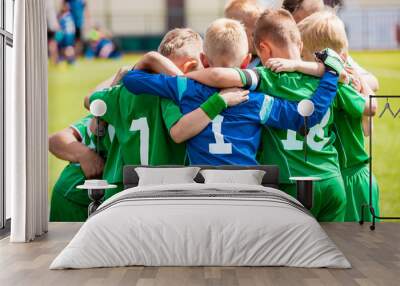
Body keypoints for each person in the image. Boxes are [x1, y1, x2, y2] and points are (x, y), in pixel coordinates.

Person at [184, 10, 374, 222]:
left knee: (290, 252)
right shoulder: (329, 80)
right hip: (331, 181)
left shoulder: (265, 79)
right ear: (300, 45)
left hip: (291, 183)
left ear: (263, 50)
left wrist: (181, 78)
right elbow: (369, 107)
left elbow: (220, 75)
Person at [122, 18, 342, 167]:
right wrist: (331, 76)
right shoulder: (257, 101)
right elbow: (306, 119)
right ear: (247, 61)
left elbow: (131, 80)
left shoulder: (183, 88)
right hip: (246, 187)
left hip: (203, 185)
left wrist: (160, 64)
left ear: (203, 60)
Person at [297, 10, 379, 222]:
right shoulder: (338, 85)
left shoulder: (337, 87)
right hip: (346, 175)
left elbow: (370, 112)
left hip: (351, 177)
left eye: (304, 57)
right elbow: (368, 129)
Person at [281, 0, 380, 92]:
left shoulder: (329, 52)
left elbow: (373, 82)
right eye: (299, 21)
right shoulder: (279, 49)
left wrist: (347, 79)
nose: (306, 26)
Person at [49, 115, 121, 221]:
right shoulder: (104, 115)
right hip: (73, 199)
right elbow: (55, 140)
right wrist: (84, 154)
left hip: (111, 205)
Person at [224, 0, 263, 67]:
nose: (261, 38)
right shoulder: (224, 61)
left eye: (262, 32)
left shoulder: (265, 61)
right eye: (254, 34)